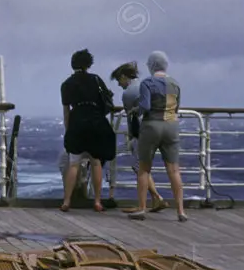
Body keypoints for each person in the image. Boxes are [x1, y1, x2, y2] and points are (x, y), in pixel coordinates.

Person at [129, 51, 187, 222]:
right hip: (171, 126)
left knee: (144, 169)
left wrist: (135, 110)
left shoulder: (147, 82)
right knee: (174, 170)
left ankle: (142, 208)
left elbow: (145, 106)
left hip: (152, 126)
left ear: (152, 65)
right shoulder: (175, 84)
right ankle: (181, 211)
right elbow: (176, 108)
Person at [60, 49, 116, 212]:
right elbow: (106, 100)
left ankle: (67, 201)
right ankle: (97, 201)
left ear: (73, 64)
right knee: (96, 162)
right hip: (96, 121)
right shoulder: (96, 80)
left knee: (74, 163)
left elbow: (66, 110)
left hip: (77, 120)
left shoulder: (67, 84)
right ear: (88, 64)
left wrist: (68, 129)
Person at [110, 61, 167, 213]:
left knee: (139, 168)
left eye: (118, 80)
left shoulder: (128, 93)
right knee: (142, 167)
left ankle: (151, 201)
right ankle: (156, 199)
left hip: (142, 133)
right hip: (157, 129)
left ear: (124, 76)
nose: (119, 84)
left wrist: (131, 137)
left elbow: (131, 117)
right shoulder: (145, 86)